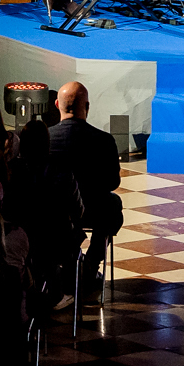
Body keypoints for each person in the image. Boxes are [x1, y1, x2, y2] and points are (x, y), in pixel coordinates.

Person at [48, 81, 121, 289]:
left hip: (55, 213)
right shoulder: (104, 140)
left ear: (57, 105)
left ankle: (66, 263)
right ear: (87, 107)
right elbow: (113, 182)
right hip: (93, 211)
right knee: (113, 204)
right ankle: (91, 263)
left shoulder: (46, 138)